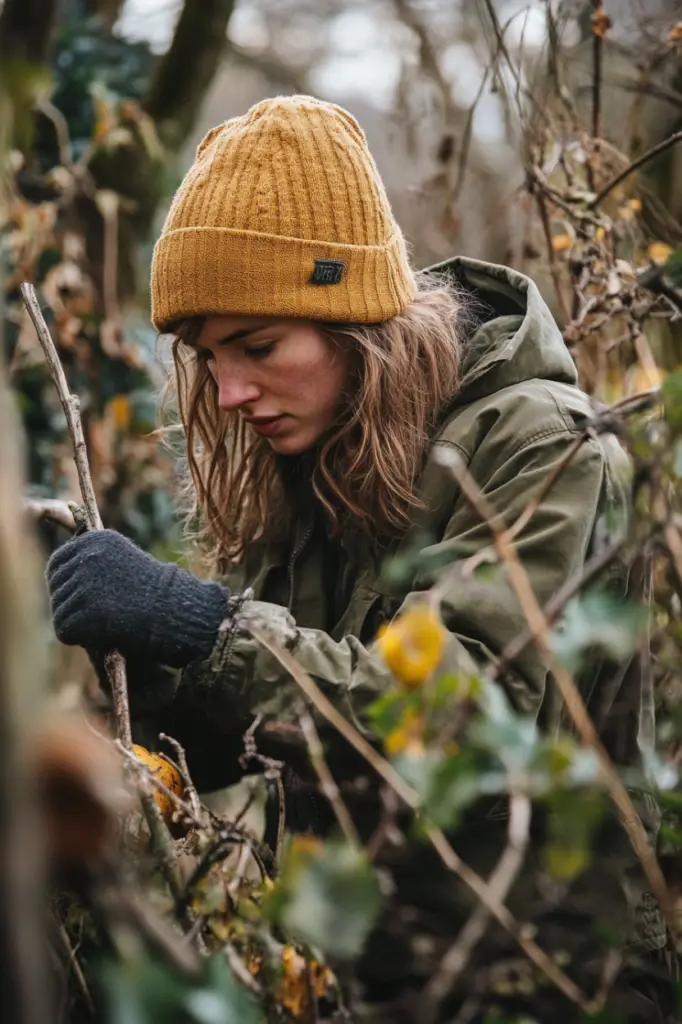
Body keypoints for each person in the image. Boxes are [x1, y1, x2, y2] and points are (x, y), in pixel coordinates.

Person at [46, 96, 668, 1021]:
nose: (230, 392)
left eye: (256, 346)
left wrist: (197, 622)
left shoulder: (543, 448)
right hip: (360, 978)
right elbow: (251, 742)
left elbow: (451, 728)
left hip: (550, 977)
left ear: (356, 319)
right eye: (210, 358)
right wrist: (135, 663)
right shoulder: (324, 451)